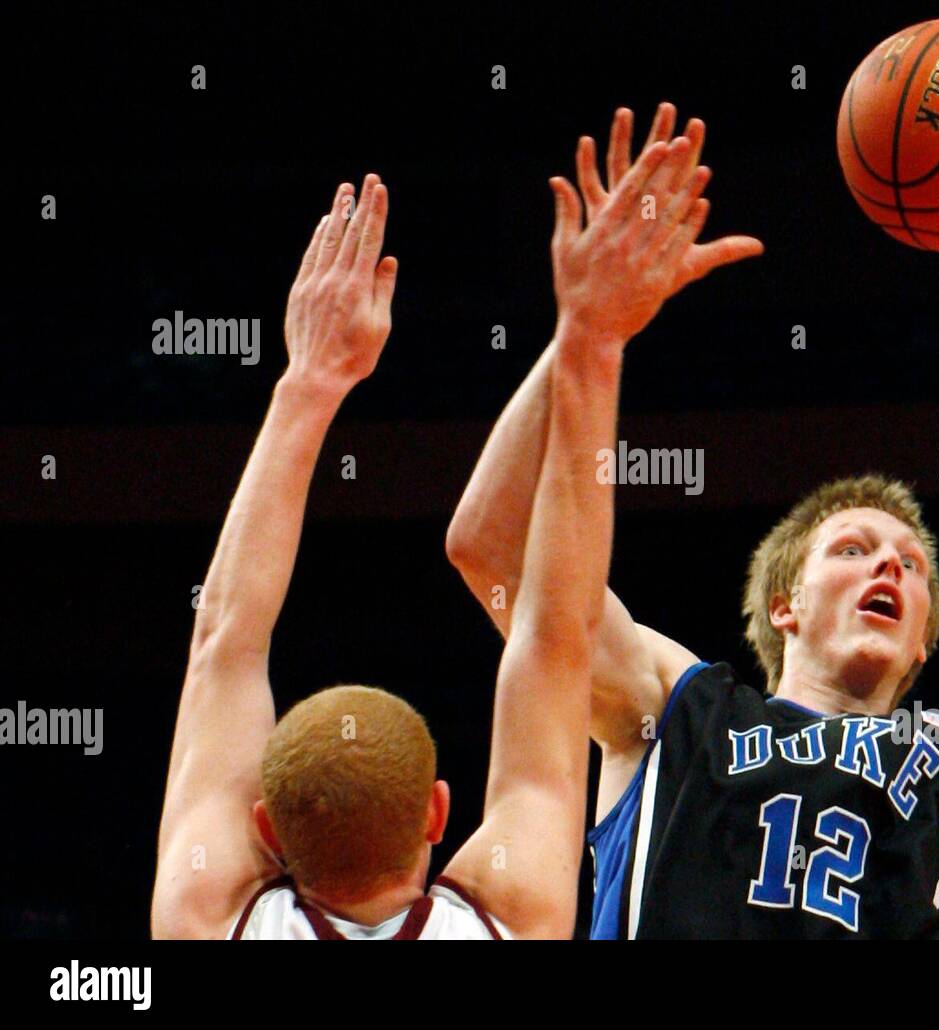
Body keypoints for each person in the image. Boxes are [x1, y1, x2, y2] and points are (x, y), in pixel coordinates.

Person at [446, 104, 939, 938]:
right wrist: (584, 333)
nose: (889, 568)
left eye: (911, 566)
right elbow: (488, 546)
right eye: (854, 550)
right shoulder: (672, 709)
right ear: (785, 604)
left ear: (923, 641)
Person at [151, 158, 669, 938]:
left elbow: (224, 635)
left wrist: (309, 383)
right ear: (438, 811)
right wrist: (591, 333)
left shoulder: (205, 919)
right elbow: (556, 638)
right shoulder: (508, 915)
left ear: (267, 830)